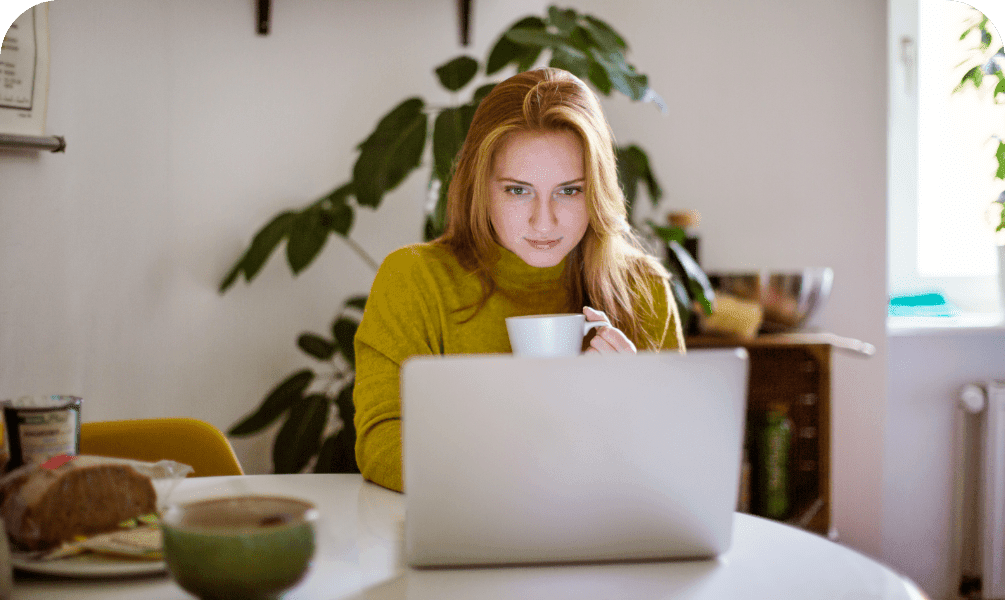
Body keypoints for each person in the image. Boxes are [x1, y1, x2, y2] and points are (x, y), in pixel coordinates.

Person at [352, 67, 684, 492]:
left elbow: (675, 462)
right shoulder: (414, 280)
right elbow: (381, 444)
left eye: (569, 191)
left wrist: (629, 408)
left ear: (597, 189)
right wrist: (523, 471)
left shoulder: (643, 289)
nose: (543, 221)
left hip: (603, 540)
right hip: (463, 537)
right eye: (517, 190)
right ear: (481, 187)